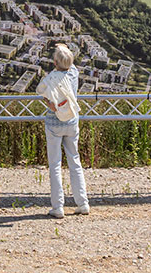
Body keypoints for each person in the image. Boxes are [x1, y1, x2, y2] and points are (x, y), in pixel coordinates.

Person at [35, 43, 89, 219]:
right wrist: (65, 48)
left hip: (54, 123)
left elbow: (41, 92)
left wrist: (48, 102)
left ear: (55, 62)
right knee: (75, 160)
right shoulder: (73, 74)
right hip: (72, 121)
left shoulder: (51, 77)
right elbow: (70, 63)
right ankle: (82, 203)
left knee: (55, 164)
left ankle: (58, 206)